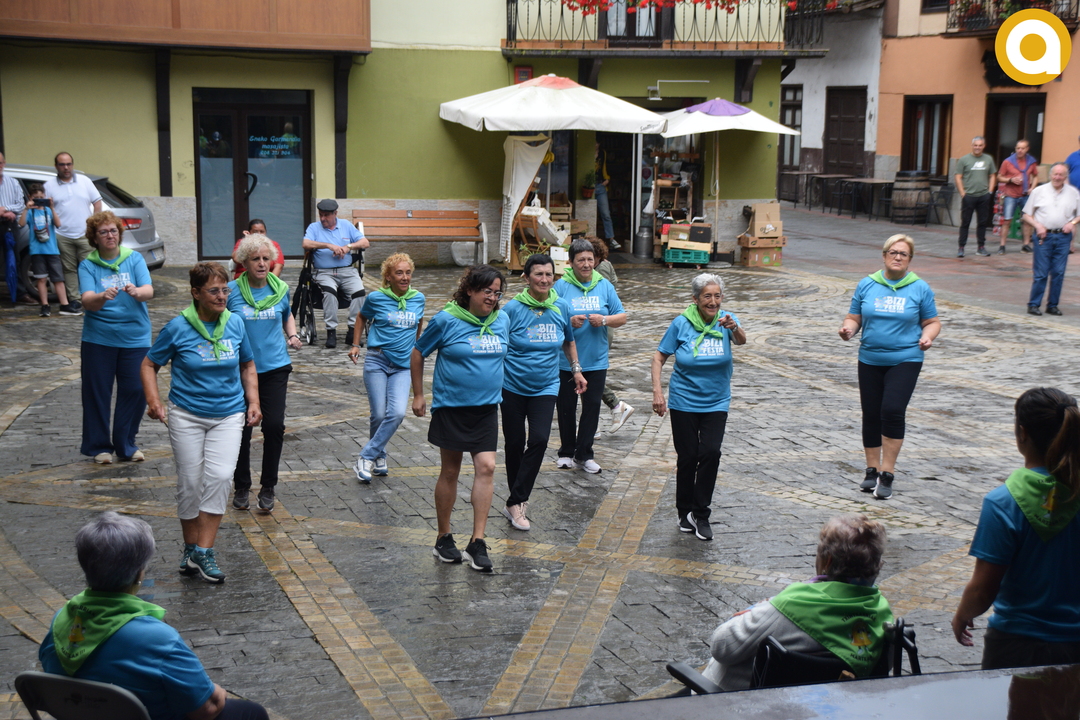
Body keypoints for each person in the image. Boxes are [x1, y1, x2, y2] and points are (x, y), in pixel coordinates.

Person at [39, 512, 269, 720]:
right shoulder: (157, 638)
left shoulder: (62, 620)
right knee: (252, 712)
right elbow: (207, 709)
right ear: (138, 573)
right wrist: (217, 692)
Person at [141, 262, 261, 584]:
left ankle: (204, 551)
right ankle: (190, 547)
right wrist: (154, 400)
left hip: (229, 414)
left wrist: (253, 401)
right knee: (191, 482)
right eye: (213, 291)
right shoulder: (178, 327)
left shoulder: (235, 323)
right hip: (187, 414)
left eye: (225, 290)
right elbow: (149, 364)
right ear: (195, 293)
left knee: (220, 477)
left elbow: (248, 364)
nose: (222, 296)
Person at [951, 388, 1080, 670]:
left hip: (1017, 646)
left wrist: (962, 614)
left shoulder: (1002, 502)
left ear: (1022, 433)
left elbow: (983, 589)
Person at [702, 514, 893, 691]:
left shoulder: (789, 608)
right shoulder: (883, 617)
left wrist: (757, 608)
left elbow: (722, 647)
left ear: (827, 561)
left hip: (733, 702)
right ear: (875, 566)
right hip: (820, 706)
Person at [412, 264, 509, 572]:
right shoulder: (446, 320)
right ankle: (443, 538)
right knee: (451, 471)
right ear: (469, 290)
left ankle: (477, 542)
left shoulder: (502, 320)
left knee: (487, 467)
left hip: (486, 409)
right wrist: (418, 394)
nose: (492, 298)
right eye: (487, 291)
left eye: (497, 293)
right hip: (452, 407)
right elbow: (418, 353)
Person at [838, 234, 940, 500]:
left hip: (906, 358)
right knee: (871, 413)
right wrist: (848, 329)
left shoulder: (919, 288)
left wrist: (928, 337)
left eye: (903, 254)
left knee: (892, 410)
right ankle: (871, 470)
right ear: (884, 256)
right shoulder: (867, 284)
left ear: (909, 259)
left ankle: (887, 473)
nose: (897, 257)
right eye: (893, 252)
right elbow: (854, 317)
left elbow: (932, 321)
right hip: (870, 358)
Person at [651, 273, 745, 541]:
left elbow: (742, 340)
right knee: (688, 456)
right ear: (695, 299)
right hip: (684, 401)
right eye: (707, 296)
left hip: (717, 400)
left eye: (717, 296)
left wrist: (734, 328)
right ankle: (685, 511)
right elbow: (659, 357)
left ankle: (701, 513)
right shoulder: (681, 323)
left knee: (711, 452)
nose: (713, 301)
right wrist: (658, 392)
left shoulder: (726, 320)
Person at [500, 253, 586, 531]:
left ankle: (516, 499)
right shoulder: (512, 309)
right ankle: (515, 503)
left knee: (538, 439)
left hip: (546, 386)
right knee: (514, 444)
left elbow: (569, 342)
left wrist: (576, 370)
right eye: (538, 274)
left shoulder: (561, 307)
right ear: (526, 277)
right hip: (511, 386)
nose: (545, 279)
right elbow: (499, 344)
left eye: (549, 274)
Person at [228, 235, 302, 513]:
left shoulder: (280, 288)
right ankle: (241, 485)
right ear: (244, 262)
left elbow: (287, 314)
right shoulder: (231, 291)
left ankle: (268, 486)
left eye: (265, 258)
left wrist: (292, 335)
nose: (261, 263)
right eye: (255, 259)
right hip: (240, 368)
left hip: (275, 367)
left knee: (273, 426)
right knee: (243, 428)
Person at [78, 211, 154, 465]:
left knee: (135, 390)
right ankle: (99, 446)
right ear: (94, 238)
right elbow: (87, 301)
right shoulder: (88, 265)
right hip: (99, 339)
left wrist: (136, 291)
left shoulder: (134, 259)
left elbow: (148, 290)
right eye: (103, 232)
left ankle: (126, 444)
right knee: (97, 393)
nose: (110, 236)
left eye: (113, 231)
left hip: (135, 338)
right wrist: (102, 296)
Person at [349, 253, 425, 483]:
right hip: (377, 360)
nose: (404, 277)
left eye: (408, 272)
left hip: (403, 366)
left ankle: (366, 457)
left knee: (397, 413)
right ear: (388, 277)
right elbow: (361, 317)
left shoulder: (418, 298)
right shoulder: (376, 298)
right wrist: (355, 345)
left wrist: (416, 348)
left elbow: (419, 322)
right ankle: (379, 456)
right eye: (399, 273)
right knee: (379, 414)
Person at [553, 239, 627, 474]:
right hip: (566, 360)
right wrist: (568, 321)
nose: (586, 264)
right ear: (571, 262)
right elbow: (549, 316)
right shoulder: (561, 286)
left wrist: (604, 320)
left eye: (589, 259)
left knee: (592, 407)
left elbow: (621, 316)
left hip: (596, 359)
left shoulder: (604, 285)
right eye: (580, 260)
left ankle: (584, 454)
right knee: (566, 406)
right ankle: (566, 452)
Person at [301, 199, 368, 349]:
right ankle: (331, 331)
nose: (322, 218)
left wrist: (348, 247)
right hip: (324, 272)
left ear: (335, 213)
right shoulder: (314, 227)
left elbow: (365, 242)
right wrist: (328, 245)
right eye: (321, 215)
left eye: (326, 215)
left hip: (347, 271)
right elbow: (306, 244)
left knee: (359, 293)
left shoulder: (346, 225)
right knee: (330, 293)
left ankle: (352, 331)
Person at [1022, 162, 1080, 317]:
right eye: (1055, 174)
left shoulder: (1073, 193)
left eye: (1061, 175)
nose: (1057, 177)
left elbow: (1079, 215)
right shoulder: (1038, 191)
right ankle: (1034, 304)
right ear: (1050, 175)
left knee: (1058, 273)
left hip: (1063, 237)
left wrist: (1072, 223)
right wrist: (1037, 225)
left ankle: (1052, 305)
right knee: (1041, 273)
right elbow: (1026, 215)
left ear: (1065, 177)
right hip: (1044, 237)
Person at [591, 238, 635, 435]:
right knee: (586, 374)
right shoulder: (603, 266)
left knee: (588, 374)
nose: (585, 264)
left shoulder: (601, 271)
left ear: (597, 256)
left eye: (589, 258)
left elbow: (599, 297)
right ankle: (599, 419)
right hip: (598, 326)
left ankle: (615, 406)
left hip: (600, 326)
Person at [44, 152, 102, 302]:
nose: (66, 167)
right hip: (62, 235)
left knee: (90, 267)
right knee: (69, 270)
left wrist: (93, 226)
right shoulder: (49, 185)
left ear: (73, 165)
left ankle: (92, 297)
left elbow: (97, 203)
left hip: (85, 233)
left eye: (69, 164)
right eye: (62, 164)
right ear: (56, 166)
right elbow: (45, 210)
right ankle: (75, 300)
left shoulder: (84, 181)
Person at [19, 184, 81, 317]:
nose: (39, 200)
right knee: (41, 279)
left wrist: (52, 207)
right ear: (30, 197)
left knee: (58, 278)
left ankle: (64, 304)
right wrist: (26, 208)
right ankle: (45, 305)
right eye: (36, 198)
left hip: (52, 250)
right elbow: (21, 223)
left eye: (42, 197)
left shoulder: (48, 210)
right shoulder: (30, 212)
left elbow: (58, 224)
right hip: (37, 250)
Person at [954, 137, 997, 258]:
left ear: (984, 146)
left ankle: (981, 247)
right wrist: (963, 193)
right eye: (975, 145)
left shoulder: (988, 159)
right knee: (965, 222)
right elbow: (958, 177)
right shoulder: (964, 159)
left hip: (983, 196)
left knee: (982, 223)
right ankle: (961, 247)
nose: (977, 147)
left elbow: (993, 175)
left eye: (980, 145)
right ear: (972, 145)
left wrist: (990, 191)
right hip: (969, 196)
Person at [997, 139, 1038, 254]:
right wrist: (1010, 180)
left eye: (1022, 148)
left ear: (1027, 149)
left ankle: (1026, 245)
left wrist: (1032, 188)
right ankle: (1002, 246)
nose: (1020, 150)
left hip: (1025, 195)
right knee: (1007, 220)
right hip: (1011, 195)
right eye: (1018, 148)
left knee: (1027, 221)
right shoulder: (1008, 162)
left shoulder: (1031, 162)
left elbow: (1035, 176)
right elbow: (999, 177)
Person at [594, 142, 620, 250]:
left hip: (601, 185)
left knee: (606, 214)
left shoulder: (602, 153)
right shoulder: (588, 153)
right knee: (591, 214)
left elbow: (604, 166)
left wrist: (607, 179)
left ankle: (611, 239)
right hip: (590, 185)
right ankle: (591, 239)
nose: (595, 144)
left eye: (597, 143)